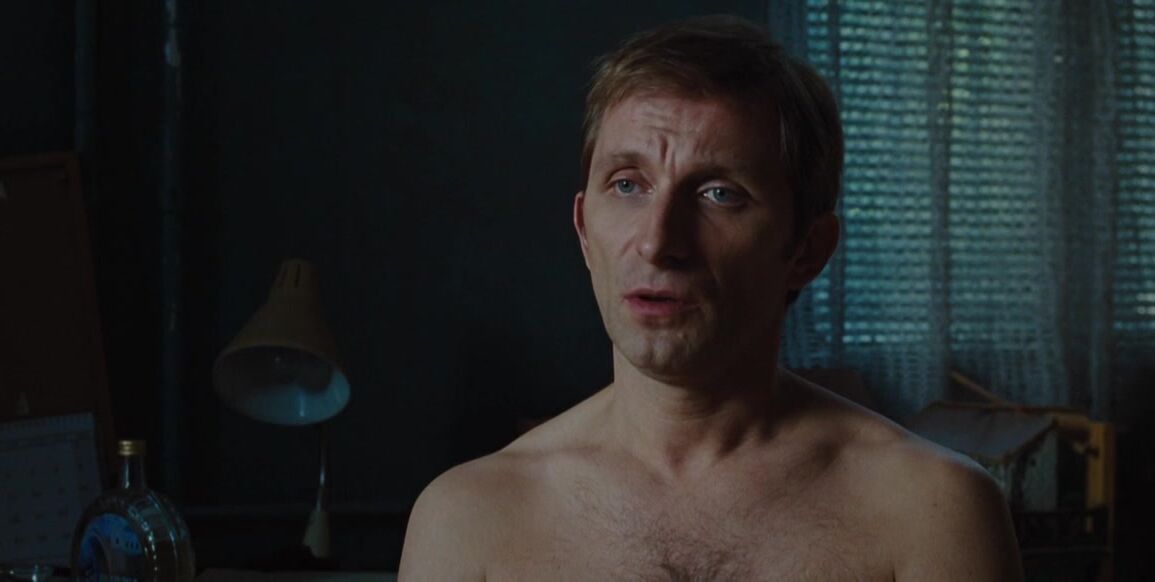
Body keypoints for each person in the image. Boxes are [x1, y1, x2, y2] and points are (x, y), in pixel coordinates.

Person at [399, 14, 1022, 581]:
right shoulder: (469, 520)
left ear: (807, 250)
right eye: (628, 184)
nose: (658, 242)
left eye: (719, 194)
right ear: (585, 230)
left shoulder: (930, 514)